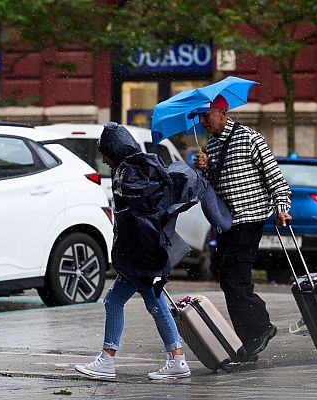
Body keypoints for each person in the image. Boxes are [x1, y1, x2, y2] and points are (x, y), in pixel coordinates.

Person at [74, 122, 196, 381]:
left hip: (141, 255)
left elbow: (137, 220)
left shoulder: (130, 173)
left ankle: (110, 361)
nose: (104, 159)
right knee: (150, 303)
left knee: (121, 301)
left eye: (106, 153)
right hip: (145, 253)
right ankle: (175, 358)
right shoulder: (136, 168)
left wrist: (135, 257)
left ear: (115, 150)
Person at [192, 94, 292, 360]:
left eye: (207, 116)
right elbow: (213, 186)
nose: (202, 122)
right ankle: (249, 340)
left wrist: (282, 208)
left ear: (223, 114)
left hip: (249, 218)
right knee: (228, 278)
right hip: (227, 222)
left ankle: (261, 327)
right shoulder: (211, 146)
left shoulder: (250, 138)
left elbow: (275, 177)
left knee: (234, 277)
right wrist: (203, 169)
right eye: (200, 117)